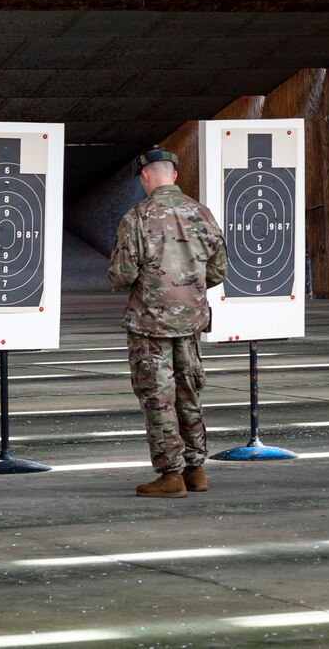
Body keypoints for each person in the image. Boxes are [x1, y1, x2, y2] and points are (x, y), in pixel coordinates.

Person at [108, 146, 227, 498]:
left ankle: (170, 474)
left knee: (158, 397)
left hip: (150, 326)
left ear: (145, 177)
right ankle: (196, 469)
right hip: (190, 324)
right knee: (189, 392)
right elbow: (219, 269)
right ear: (173, 175)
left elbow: (122, 275)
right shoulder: (201, 213)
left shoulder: (137, 217)